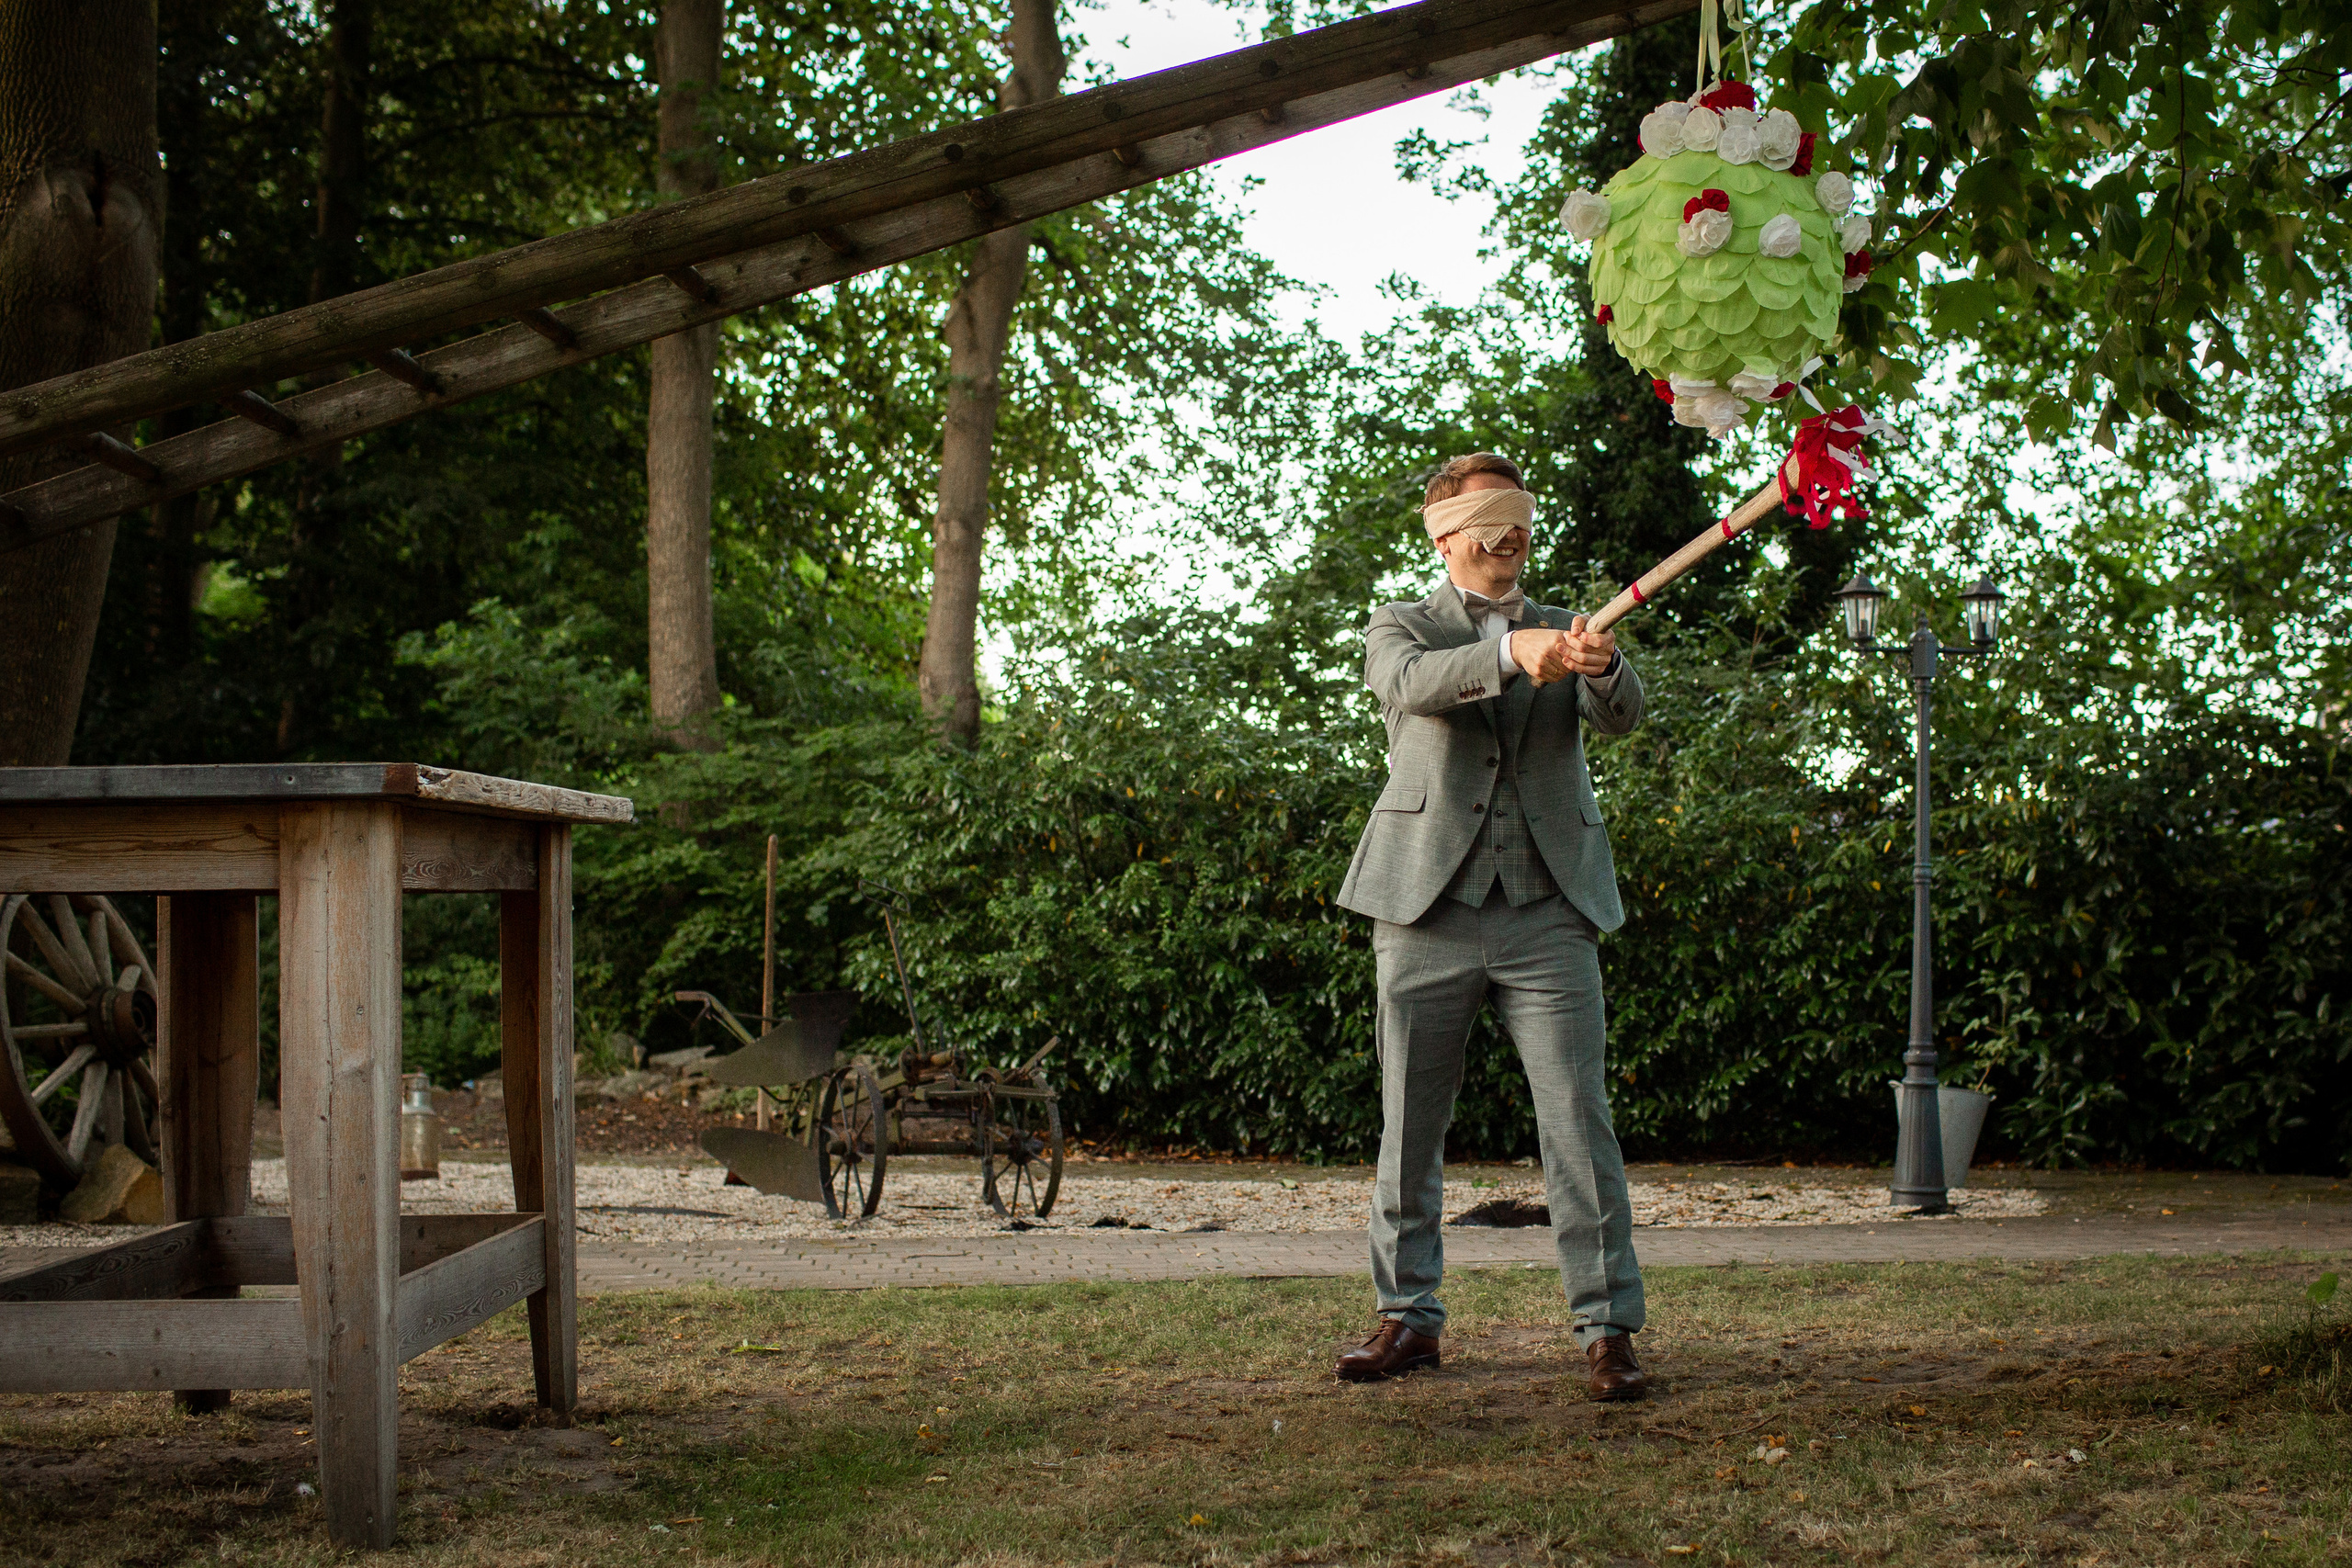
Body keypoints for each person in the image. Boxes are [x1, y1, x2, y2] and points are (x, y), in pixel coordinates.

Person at [1332, 452, 1648, 1402]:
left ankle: (1607, 1330)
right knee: (1408, 1127)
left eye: (1519, 518)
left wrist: (1602, 665)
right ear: (1444, 536)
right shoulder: (1401, 627)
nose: (1509, 535)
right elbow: (1411, 686)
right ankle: (1408, 1319)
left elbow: (1626, 716)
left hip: (1550, 910)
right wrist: (1511, 654)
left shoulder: (1570, 623)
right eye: (1488, 520)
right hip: (1424, 908)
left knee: (1577, 1128)